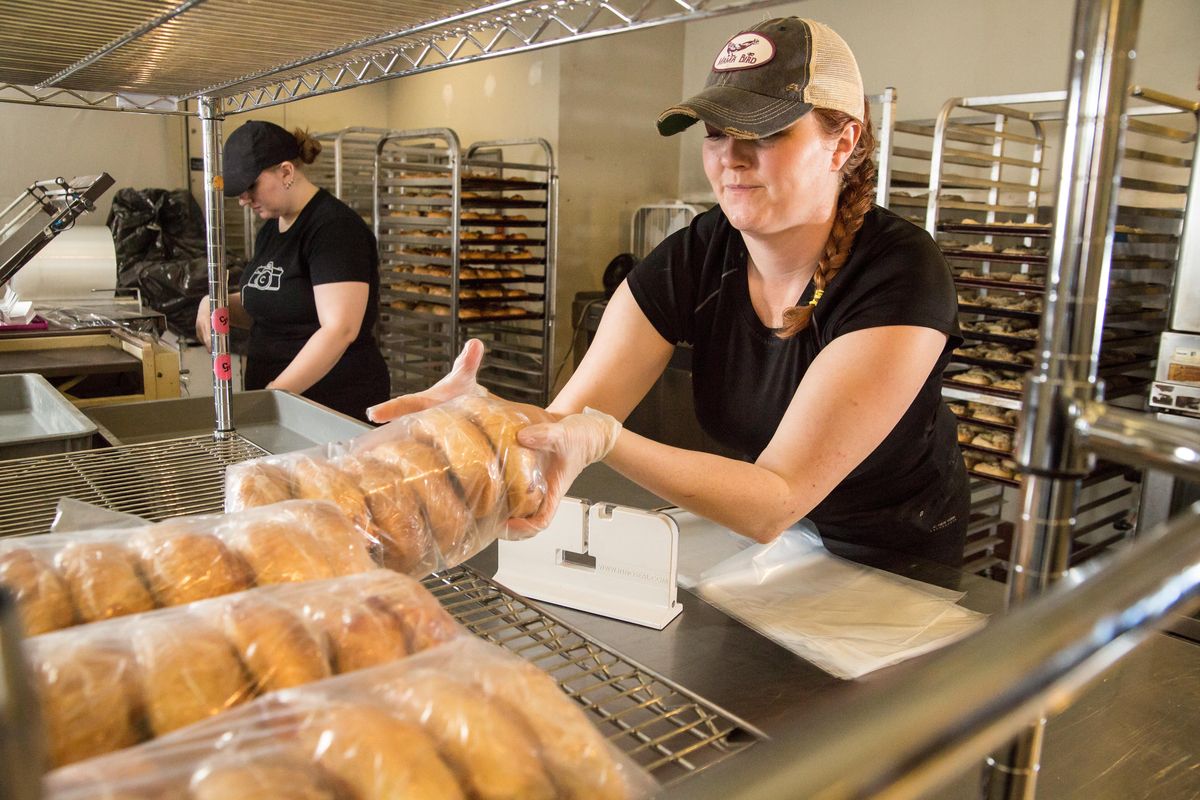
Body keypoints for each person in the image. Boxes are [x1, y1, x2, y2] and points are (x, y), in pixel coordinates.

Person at [371, 17, 969, 566]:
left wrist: (608, 441)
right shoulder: (698, 254)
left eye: (761, 134)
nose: (729, 158)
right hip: (770, 546)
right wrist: (478, 425)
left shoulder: (900, 275)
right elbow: (566, 421)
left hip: (890, 555)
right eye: (714, 133)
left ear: (842, 144)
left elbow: (775, 500)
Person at [195, 121, 389, 422]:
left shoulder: (334, 229)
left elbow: (340, 329)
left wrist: (274, 395)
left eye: (251, 186)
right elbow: (274, 306)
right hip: (280, 402)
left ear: (286, 172)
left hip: (329, 404)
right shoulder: (271, 229)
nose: (244, 199)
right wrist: (215, 303)